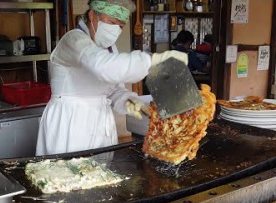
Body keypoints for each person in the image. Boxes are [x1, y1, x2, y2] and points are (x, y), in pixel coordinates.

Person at [36, 0, 187, 156]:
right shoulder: (73, 40)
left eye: (120, 26)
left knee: (101, 175)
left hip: (100, 122)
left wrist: (129, 101)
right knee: (70, 174)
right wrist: (152, 60)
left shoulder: (108, 49)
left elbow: (113, 89)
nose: (115, 29)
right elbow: (103, 67)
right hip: (70, 122)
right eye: (111, 22)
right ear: (92, 15)